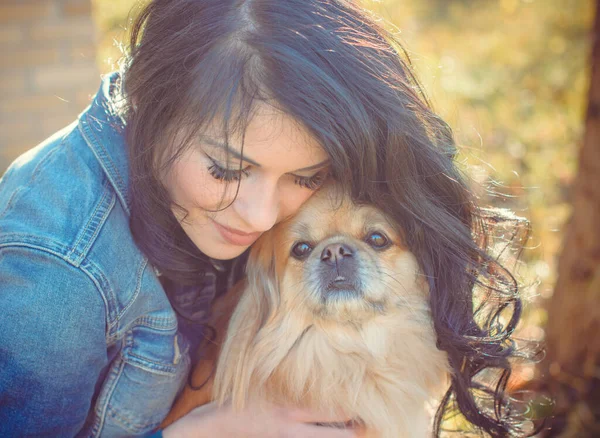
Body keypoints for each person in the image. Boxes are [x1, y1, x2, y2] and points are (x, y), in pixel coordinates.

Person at [0, 0, 528, 437]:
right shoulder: (58, 267)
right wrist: (208, 430)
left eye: (304, 176)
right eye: (227, 169)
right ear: (152, 105)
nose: (260, 215)